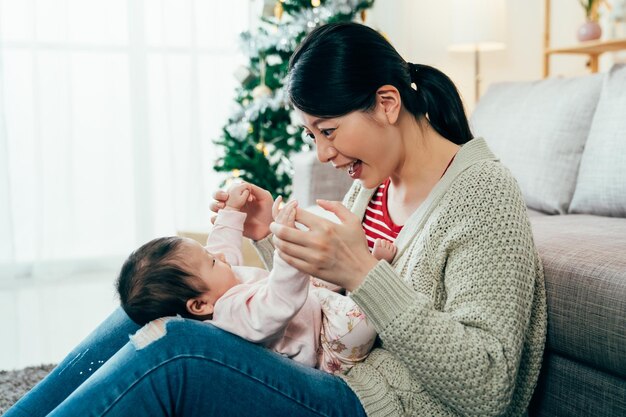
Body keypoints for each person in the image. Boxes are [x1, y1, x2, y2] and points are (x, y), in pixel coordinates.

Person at [5, 21, 547, 417]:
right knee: (153, 298)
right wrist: (268, 240)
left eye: (328, 131)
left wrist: (363, 274)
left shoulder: (482, 196)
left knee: (176, 346)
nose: (324, 155)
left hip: (373, 404)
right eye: (313, 136)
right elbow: (321, 306)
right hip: (329, 368)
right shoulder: (374, 184)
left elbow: (489, 388)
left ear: (386, 103)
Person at [117, 181, 381, 374]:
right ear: (200, 306)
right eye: (210, 260)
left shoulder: (214, 287)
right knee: (360, 324)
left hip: (312, 306)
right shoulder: (231, 315)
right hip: (325, 343)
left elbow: (222, 248)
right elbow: (280, 299)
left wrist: (231, 212)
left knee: (319, 274)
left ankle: (364, 272)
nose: (218, 256)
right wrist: (286, 247)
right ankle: (375, 276)